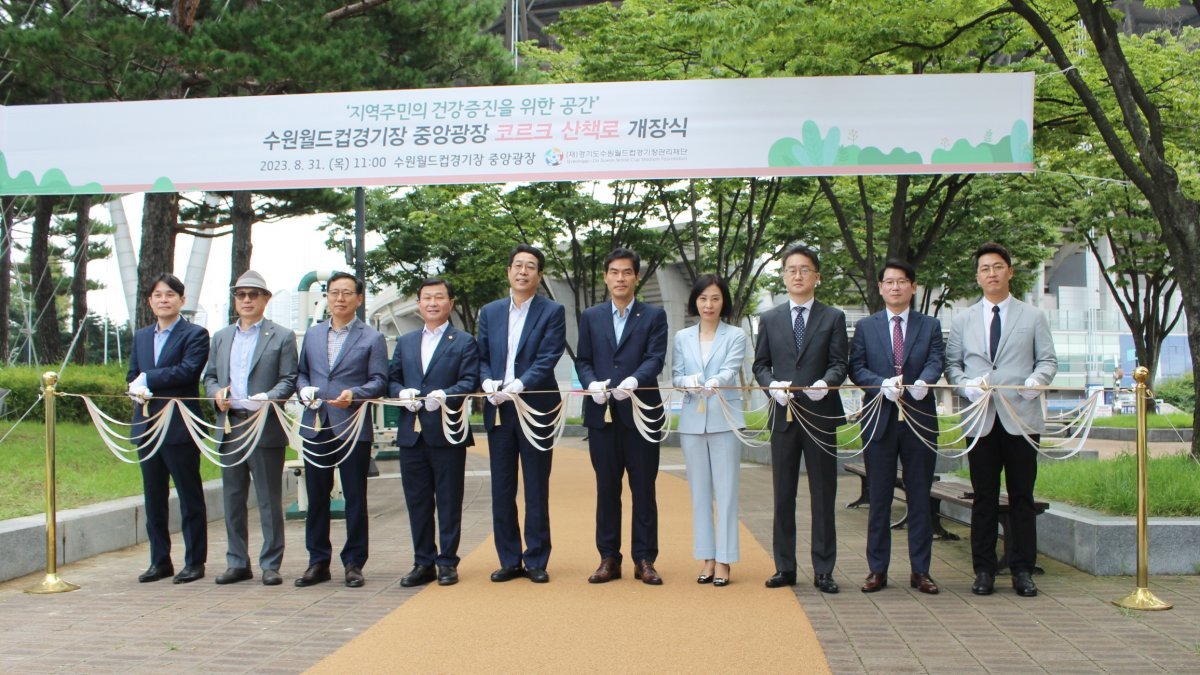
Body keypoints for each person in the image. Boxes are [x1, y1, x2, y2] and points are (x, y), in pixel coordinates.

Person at [945, 242, 1057, 598]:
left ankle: (1022, 569)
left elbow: (1048, 361)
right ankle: (983, 569)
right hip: (980, 419)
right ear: (977, 277)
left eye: (997, 267)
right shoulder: (962, 319)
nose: (991, 274)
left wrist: (1036, 382)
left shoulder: (1033, 316)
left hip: (1020, 417)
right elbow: (953, 367)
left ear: (1010, 272)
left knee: (1022, 496)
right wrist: (966, 386)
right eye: (984, 269)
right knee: (984, 497)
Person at [752, 244, 847, 593]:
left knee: (823, 494)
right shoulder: (771, 318)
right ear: (783, 276)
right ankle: (785, 567)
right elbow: (760, 364)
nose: (797, 275)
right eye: (791, 269)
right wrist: (770, 385)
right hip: (784, 416)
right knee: (783, 495)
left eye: (805, 269)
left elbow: (840, 362)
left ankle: (824, 569)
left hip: (820, 415)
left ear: (816, 277)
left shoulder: (833, 317)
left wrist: (828, 382)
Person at [848, 260, 944, 595]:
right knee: (879, 498)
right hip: (880, 420)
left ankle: (921, 571)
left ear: (913, 287)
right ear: (880, 287)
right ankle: (877, 569)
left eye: (902, 281)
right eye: (889, 282)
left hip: (919, 419)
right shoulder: (866, 327)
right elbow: (856, 368)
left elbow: (936, 360)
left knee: (919, 496)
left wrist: (924, 382)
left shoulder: (929, 325)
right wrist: (879, 384)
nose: (895, 287)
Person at [576, 247, 668, 585]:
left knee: (644, 488)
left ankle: (644, 559)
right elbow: (583, 359)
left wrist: (634, 380)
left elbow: (655, 358)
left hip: (641, 413)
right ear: (605, 276)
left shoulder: (654, 316)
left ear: (636, 277)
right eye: (614, 272)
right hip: (602, 414)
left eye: (626, 272)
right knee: (606, 488)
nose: (620, 278)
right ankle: (608, 558)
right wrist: (590, 383)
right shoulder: (591, 316)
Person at [476, 244, 566, 584]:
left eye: (531, 267)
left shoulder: (552, 311)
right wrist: (487, 379)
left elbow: (549, 356)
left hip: (535, 408)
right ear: (508, 271)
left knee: (535, 486)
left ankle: (537, 559)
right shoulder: (490, 312)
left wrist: (521, 382)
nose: (523, 271)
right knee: (502, 487)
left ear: (539, 275)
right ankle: (509, 559)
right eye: (518, 265)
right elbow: (482, 354)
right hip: (498, 408)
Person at [203, 270, 298, 586]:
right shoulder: (220, 336)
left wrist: (268, 398)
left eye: (253, 295)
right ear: (235, 300)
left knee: (269, 499)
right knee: (232, 498)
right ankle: (237, 561)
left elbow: (289, 379)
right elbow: (211, 376)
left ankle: (271, 564)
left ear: (265, 299)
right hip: (231, 426)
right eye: (241, 295)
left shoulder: (281, 336)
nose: (246, 300)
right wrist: (215, 393)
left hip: (264, 426)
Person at [294, 271, 388, 588]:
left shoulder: (372, 338)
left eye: (347, 292)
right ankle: (317, 562)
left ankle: (354, 563)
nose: (340, 298)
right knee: (317, 496)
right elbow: (302, 374)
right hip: (317, 424)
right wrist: (304, 390)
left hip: (352, 426)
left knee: (354, 498)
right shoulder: (312, 335)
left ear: (359, 299)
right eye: (334, 292)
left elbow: (379, 380)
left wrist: (356, 394)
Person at [389, 278, 480, 588]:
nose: (432, 303)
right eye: (426, 298)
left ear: (450, 303)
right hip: (411, 434)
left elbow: (470, 380)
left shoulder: (464, 341)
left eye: (438, 297)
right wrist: (401, 393)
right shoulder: (405, 341)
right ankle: (423, 561)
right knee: (417, 501)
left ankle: (447, 562)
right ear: (418, 304)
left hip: (448, 432)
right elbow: (392, 379)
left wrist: (446, 394)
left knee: (449, 499)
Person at [126, 273, 210, 584]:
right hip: (147, 425)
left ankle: (195, 562)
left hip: (179, 426)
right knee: (154, 497)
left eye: (170, 295)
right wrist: (137, 385)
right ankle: (159, 561)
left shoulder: (196, 334)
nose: (164, 299)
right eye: (158, 295)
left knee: (189, 496)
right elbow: (133, 374)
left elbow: (188, 372)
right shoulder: (141, 336)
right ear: (150, 301)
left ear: (182, 300)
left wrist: (148, 379)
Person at [671, 274, 747, 587]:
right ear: (695, 302)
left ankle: (726, 560)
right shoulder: (682, 337)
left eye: (715, 298)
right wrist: (686, 382)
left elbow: (731, 367)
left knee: (726, 493)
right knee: (699, 493)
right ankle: (707, 557)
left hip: (724, 418)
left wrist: (717, 380)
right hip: (692, 422)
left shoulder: (736, 335)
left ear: (723, 301)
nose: (709, 304)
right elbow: (676, 374)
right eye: (703, 298)